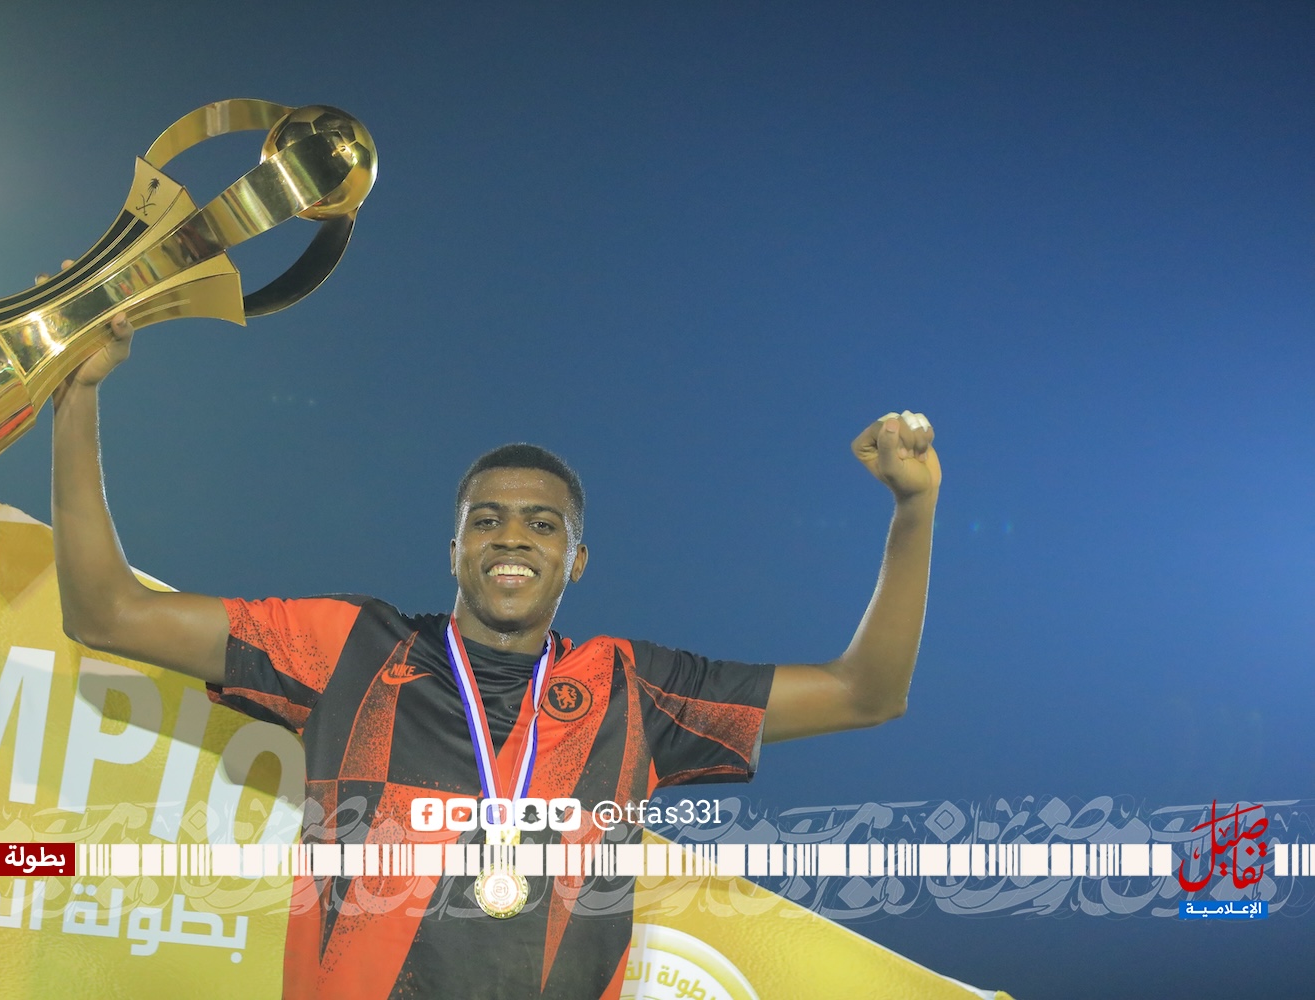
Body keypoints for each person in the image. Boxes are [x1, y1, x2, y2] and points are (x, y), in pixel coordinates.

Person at [50, 312, 940, 1000]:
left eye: (543, 525)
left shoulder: (635, 690)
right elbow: (109, 614)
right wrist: (78, 397)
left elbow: (866, 693)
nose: (512, 536)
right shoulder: (348, 648)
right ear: (454, 551)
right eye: (487, 520)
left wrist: (913, 510)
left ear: (575, 561)